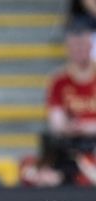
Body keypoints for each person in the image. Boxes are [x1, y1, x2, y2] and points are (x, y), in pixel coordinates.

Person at [24, 22, 96, 186]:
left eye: (82, 45)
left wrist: (87, 126)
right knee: (30, 169)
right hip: (71, 147)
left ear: (90, 46)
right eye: (75, 46)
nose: (79, 49)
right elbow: (56, 122)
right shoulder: (59, 81)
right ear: (68, 49)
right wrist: (70, 127)